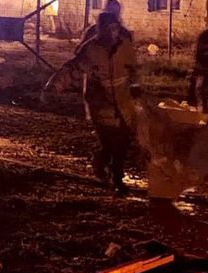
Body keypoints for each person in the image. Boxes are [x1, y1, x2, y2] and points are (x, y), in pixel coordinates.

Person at [47, 10, 141, 193]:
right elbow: (71, 69)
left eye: (115, 28)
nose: (112, 33)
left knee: (124, 138)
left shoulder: (124, 46)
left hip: (123, 100)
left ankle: (116, 174)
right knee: (109, 141)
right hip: (100, 102)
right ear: (100, 30)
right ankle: (105, 166)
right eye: (108, 29)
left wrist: (136, 87)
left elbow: (133, 67)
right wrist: (53, 87)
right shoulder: (91, 50)